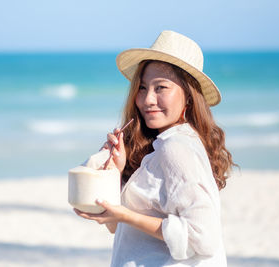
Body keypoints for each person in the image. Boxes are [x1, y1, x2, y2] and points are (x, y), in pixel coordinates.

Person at [74, 30, 236, 266]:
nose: (147, 99)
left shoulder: (177, 148)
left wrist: (125, 215)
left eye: (161, 88)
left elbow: (203, 237)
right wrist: (116, 172)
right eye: (142, 88)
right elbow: (114, 227)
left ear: (189, 96)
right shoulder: (162, 146)